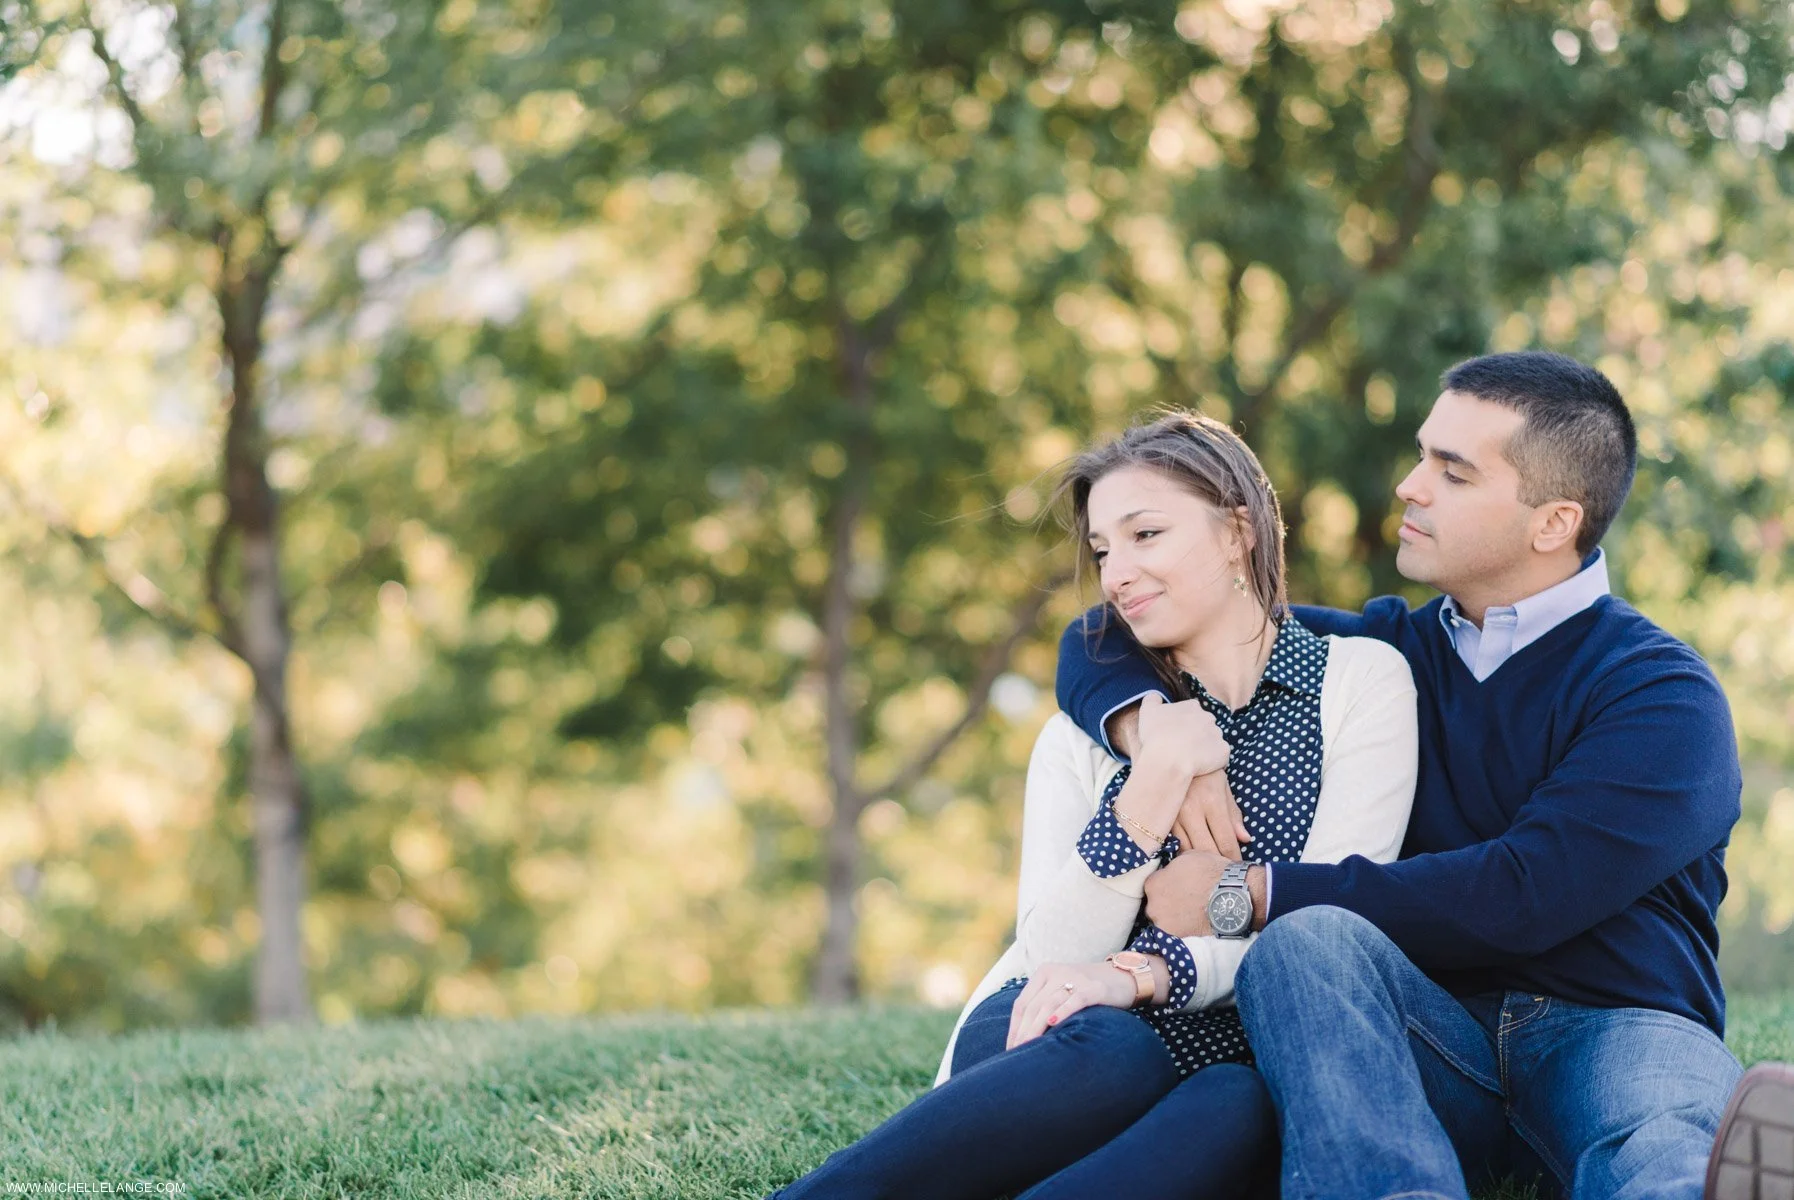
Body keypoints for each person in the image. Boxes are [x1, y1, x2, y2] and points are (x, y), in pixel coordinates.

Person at [1056, 350, 1794, 1200]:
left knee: (1657, 1139)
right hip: (1423, 1036)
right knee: (1308, 943)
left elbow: (1526, 892)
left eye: (1452, 472)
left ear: (1551, 522)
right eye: (1421, 456)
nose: (1410, 487)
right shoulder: (1377, 656)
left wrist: (1248, 890)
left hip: (1616, 1028)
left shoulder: (1661, 694)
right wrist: (1160, 733)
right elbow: (1102, 632)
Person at [766, 412, 1419, 1200]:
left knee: (1239, 1102)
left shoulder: (1358, 683)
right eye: (1105, 550)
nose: (1116, 574)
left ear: (1236, 531)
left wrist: (1147, 973)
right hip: (1062, 1048)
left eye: (1146, 534)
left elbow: (1330, 919)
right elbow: (1050, 954)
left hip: (1236, 1054)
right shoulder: (1086, 734)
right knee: (1120, 1051)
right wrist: (1154, 780)